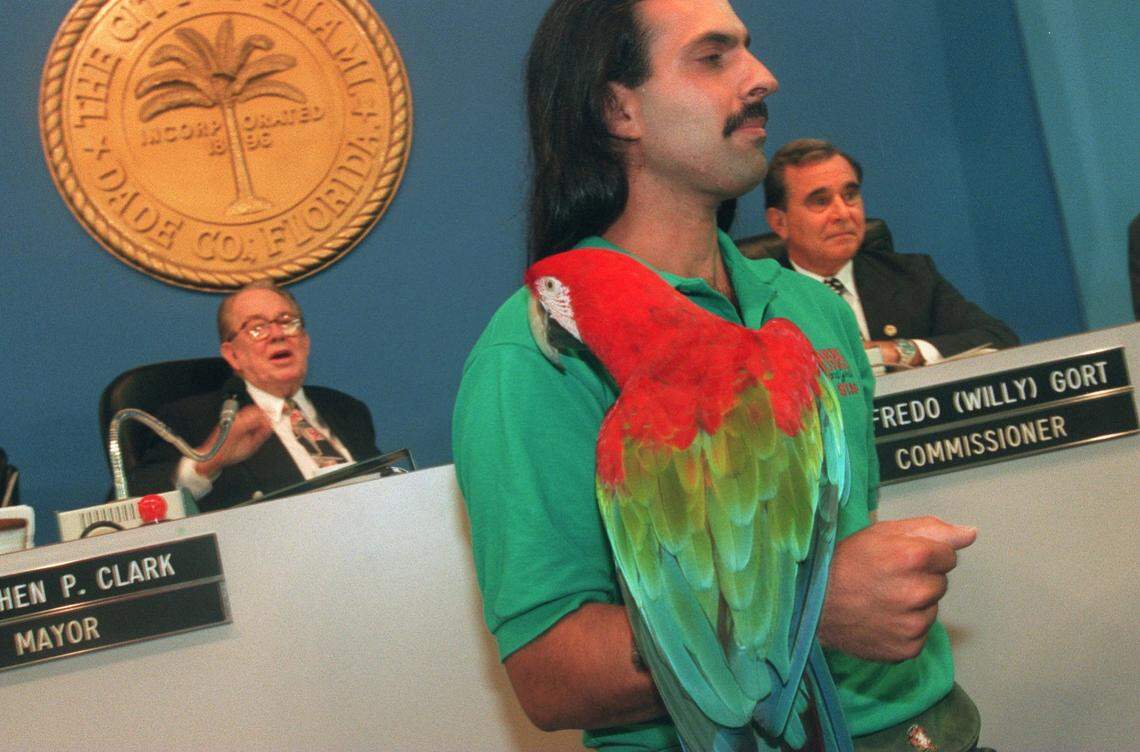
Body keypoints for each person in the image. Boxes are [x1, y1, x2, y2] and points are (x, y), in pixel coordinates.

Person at [454, 1, 979, 749]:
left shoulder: (806, 309)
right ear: (618, 109)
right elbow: (550, 673)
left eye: (749, 50)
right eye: (713, 57)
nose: (762, 77)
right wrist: (811, 610)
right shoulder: (538, 354)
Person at [764, 138, 1019, 369]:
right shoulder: (760, 299)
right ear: (779, 223)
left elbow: (998, 338)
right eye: (820, 201)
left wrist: (901, 351)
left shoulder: (911, 276)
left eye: (850, 195)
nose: (843, 214)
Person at [129, 280, 381, 512]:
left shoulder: (348, 409)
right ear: (232, 355)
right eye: (257, 328)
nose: (278, 334)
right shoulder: (194, 420)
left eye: (287, 322)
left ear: (305, 341)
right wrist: (208, 461)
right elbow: (130, 509)